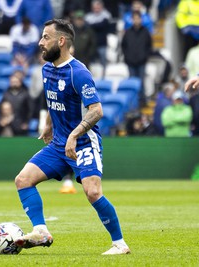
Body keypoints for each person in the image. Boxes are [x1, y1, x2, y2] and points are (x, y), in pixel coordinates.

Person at [13, 19, 130, 255]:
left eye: (46, 37)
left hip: (84, 142)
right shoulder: (47, 69)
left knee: (93, 192)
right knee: (22, 180)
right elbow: (53, 100)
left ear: (61, 41)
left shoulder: (79, 73)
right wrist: (48, 125)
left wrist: (75, 135)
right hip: (59, 144)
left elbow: (97, 111)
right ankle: (41, 231)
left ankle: (120, 244)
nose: (40, 42)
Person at [121, 11, 152, 107]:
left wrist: (145, 56)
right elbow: (123, 46)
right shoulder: (128, 32)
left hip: (142, 62)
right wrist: (127, 57)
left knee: (141, 83)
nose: (136, 20)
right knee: (132, 83)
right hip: (130, 62)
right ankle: (133, 104)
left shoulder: (146, 32)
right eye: (134, 18)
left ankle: (143, 102)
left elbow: (149, 46)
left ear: (141, 20)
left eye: (138, 18)